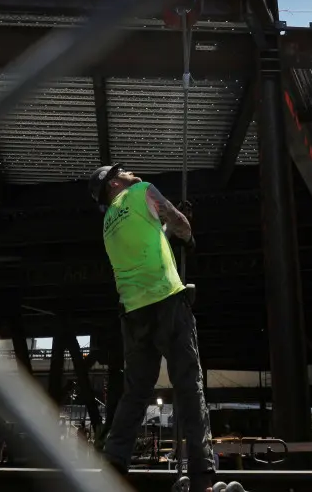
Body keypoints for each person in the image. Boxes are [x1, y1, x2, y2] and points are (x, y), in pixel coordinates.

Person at [88, 163, 216, 486]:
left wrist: (169, 231)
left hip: (133, 315)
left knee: (135, 392)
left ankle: (115, 459)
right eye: (122, 172)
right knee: (189, 382)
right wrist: (187, 233)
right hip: (168, 302)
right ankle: (202, 467)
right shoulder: (142, 191)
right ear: (115, 182)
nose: (129, 172)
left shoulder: (107, 223)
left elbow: (151, 238)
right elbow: (178, 222)